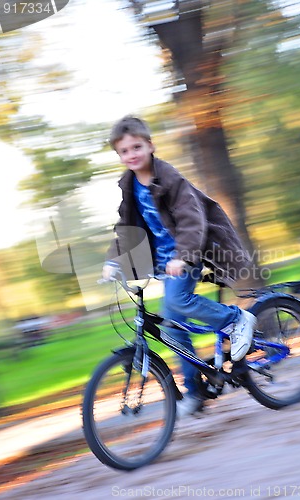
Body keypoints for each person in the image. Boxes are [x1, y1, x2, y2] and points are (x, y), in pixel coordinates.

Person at [102, 115, 256, 418]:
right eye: (124, 151)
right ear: (119, 155)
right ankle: (196, 393)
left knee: (177, 300)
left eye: (137, 147)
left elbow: (191, 220)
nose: (132, 155)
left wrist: (183, 256)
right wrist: (112, 260)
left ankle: (238, 318)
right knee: (172, 330)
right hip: (164, 262)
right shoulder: (129, 185)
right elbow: (127, 227)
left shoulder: (170, 178)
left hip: (191, 250)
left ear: (150, 145)